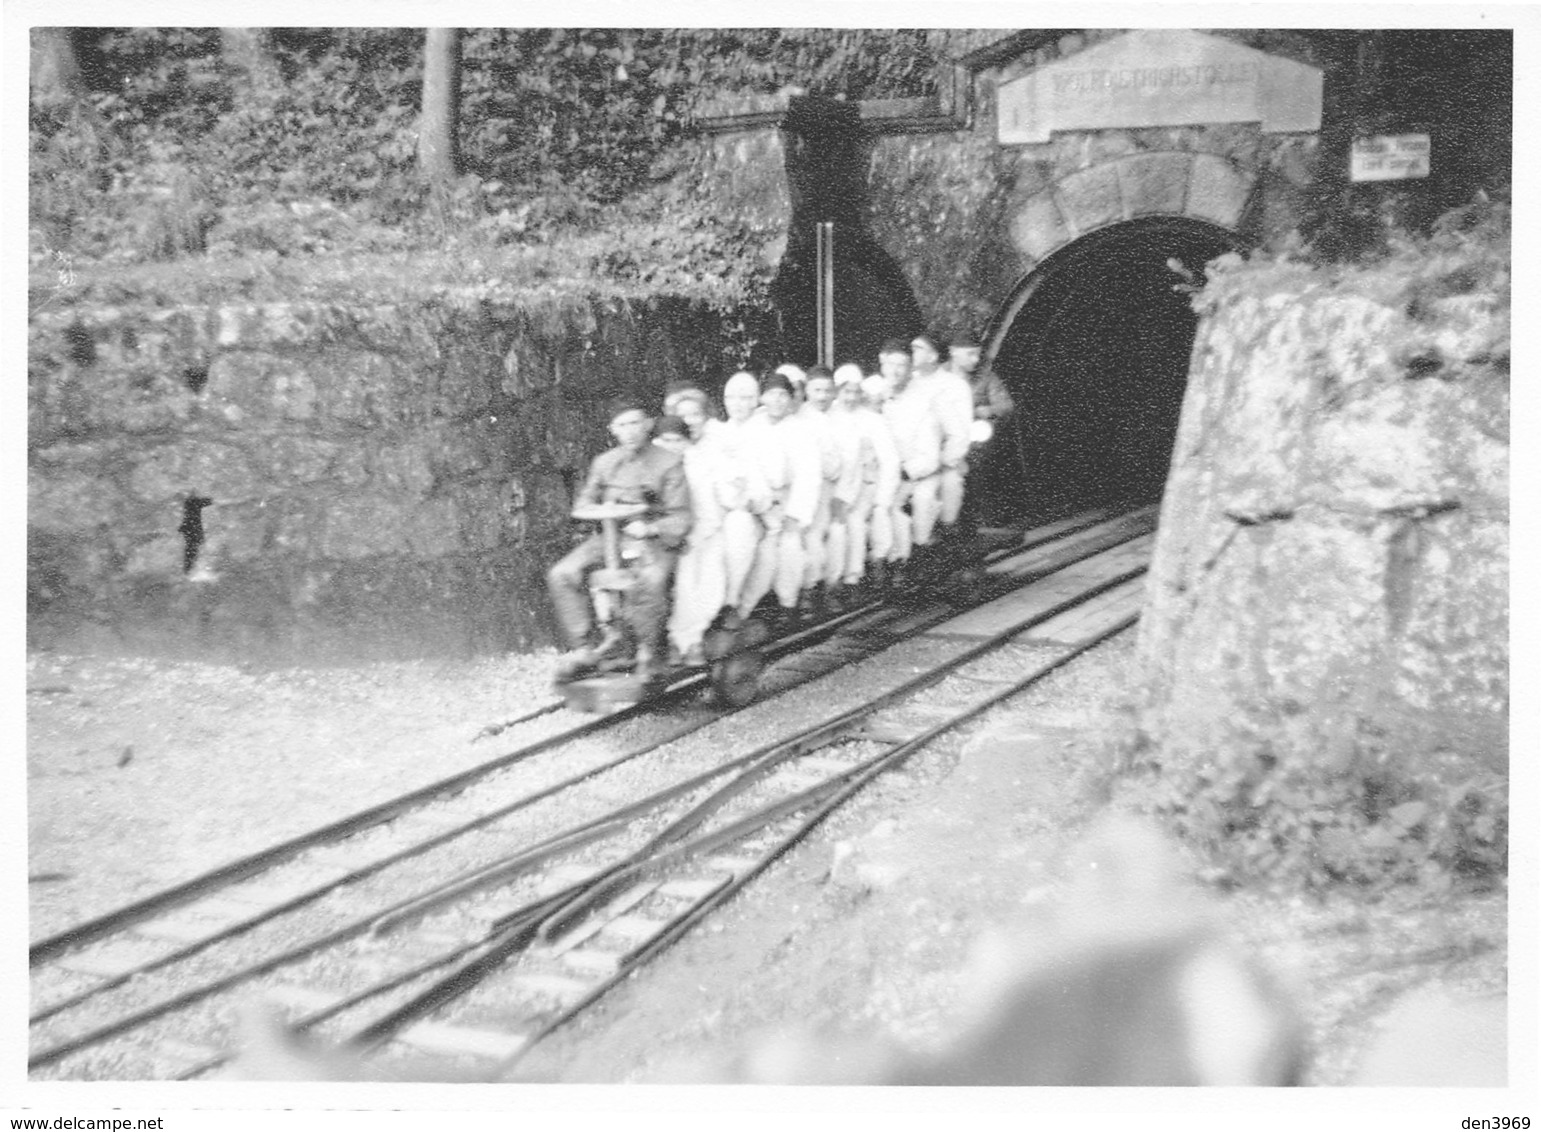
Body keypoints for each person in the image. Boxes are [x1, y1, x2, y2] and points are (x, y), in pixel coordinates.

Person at [546, 396, 691, 682]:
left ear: (648, 424)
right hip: (610, 537)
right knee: (562, 573)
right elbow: (584, 502)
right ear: (613, 429)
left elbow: (681, 517)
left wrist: (650, 528)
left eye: (636, 423)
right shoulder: (604, 463)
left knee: (649, 580)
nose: (630, 431)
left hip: (653, 539)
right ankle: (585, 648)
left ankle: (649, 651)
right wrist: (604, 511)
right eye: (622, 425)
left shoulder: (669, 462)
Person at [737, 370, 820, 630]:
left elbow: (809, 474)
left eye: (783, 395)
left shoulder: (801, 429)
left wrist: (795, 513)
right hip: (758, 503)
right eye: (772, 394)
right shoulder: (751, 427)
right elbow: (749, 470)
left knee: (791, 545)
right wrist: (765, 505)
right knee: (765, 550)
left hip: (790, 499)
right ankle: (743, 607)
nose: (778, 401)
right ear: (762, 397)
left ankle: (788, 604)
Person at [879, 338, 944, 582]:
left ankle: (910, 558)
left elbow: (930, 456)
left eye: (902, 365)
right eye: (890, 364)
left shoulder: (922, 403)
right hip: (885, 472)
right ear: (882, 365)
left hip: (916, 472)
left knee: (921, 501)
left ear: (910, 369)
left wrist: (905, 472)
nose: (895, 371)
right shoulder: (875, 397)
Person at [797, 365, 852, 617]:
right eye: (816, 390)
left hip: (834, 486)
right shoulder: (799, 417)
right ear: (807, 390)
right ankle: (809, 587)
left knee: (838, 530)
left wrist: (842, 496)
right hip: (807, 488)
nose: (822, 396)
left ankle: (832, 585)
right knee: (812, 535)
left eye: (827, 391)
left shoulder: (842, 417)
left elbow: (849, 462)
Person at [910, 332, 974, 544]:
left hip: (944, 459)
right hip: (912, 458)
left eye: (917, 349)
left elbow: (961, 433)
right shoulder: (909, 383)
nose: (911, 354)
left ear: (933, 356)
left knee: (948, 485)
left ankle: (946, 534)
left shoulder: (955, 386)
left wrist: (943, 460)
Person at [948, 332, 1015, 531]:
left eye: (977, 354)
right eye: (970, 354)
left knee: (978, 458)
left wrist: (987, 410)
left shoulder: (985, 376)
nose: (975, 359)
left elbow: (1007, 405)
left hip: (974, 435)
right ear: (953, 353)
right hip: (946, 436)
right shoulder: (940, 376)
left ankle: (987, 517)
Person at [859, 371, 906, 591]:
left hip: (884, 480)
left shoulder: (883, 419)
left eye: (880, 400)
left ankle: (891, 560)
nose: (876, 404)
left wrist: (883, 495)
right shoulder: (853, 418)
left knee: (886, 512)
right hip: (857, 483)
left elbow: (890, 462)